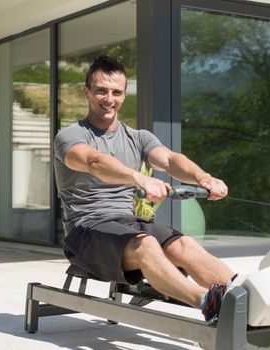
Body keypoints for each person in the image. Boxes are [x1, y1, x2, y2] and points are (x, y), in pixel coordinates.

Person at [54, 56, 236, 322]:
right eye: (101, 90)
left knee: (183, 244)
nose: (109, 99)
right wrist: (137, 178)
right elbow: (94, 162)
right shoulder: (71, 135)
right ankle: (208, 303)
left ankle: (246, 298)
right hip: (85, 232)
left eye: (116, 92)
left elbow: (171, 160)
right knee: (146, 245)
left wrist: (203, 177)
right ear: (87, 92)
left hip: (127, 224)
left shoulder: (138, 137)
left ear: (124, 95)